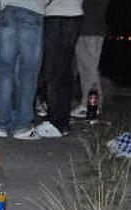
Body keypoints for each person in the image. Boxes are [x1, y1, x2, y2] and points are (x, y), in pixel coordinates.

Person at [0, 0, 45, 140]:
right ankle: (23, 127)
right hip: (33, 11)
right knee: (28, 72)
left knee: (5, 72)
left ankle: (0, 125)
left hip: (8, 10)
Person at [35, 0, 82, 138]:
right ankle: (62, 122)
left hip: (55, 15)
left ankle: (54, 121)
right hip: (74, 13)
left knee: (52, 70)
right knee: (64, 69)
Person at [71, 0, 109, 119]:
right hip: (93, 28)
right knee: (89, 67)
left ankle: (91, 105)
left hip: (89, 29)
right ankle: (91, 104)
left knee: (88, 68)